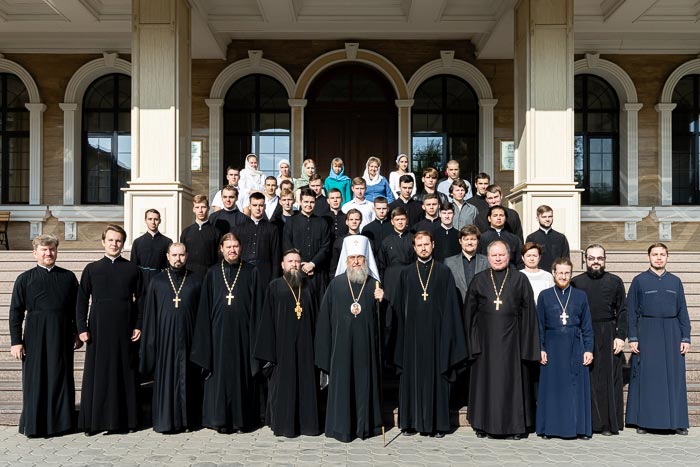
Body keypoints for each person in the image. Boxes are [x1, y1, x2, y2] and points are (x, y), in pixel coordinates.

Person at [394, 230, 467, 438]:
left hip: (437, 336)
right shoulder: (406, 273)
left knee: (437, 377)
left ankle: (438, 424)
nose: (423, 248)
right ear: (414, 247)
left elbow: (452, 308)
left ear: (433, 245)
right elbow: (400, 308)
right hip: (412, 337)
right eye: (420, 245)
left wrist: (448, 336)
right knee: (411, 378)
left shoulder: (444, 272)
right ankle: (409, 422)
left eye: (427, 244)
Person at [463, 240, 539, 439]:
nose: (498, 258)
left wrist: (527, 345)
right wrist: (472, 344)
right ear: (488, 257)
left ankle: (515, 427)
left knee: (513, 385)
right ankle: (482, 425)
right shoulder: (479, 280)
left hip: (513, 343)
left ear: (509, 256)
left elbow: (529, 313)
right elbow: (469, 315)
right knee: (485, 385)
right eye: (494, 255)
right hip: (485, 344)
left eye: (501, 255)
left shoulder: (519, 279)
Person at [315, 235, 387, 442]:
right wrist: (325, 354)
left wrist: (382, 303)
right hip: (341, 350)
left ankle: (366, 426)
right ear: (345, 260)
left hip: (366, 350)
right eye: (352, 257)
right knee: (343, 386)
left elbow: (384, 324)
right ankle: (341, 428)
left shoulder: (375, 285)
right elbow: (324, 322)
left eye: (360, 258)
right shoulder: (335, 285)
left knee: (365, 386)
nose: (356, 261)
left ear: (366, 260)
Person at [9, 234, 80, 437]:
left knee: (61, 377)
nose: (49, 253)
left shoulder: (68, 277)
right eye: (44, 250)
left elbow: (76, 308)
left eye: (52, 250)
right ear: (35, 253)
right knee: (35, 379)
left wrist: (77, 332)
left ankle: (62, 425)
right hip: (34, 336)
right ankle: (34, 425)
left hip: (62, 334)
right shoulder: (24, 279)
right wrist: (16, 342)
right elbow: (15, 312)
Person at [190, 233, 260, 433]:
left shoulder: (251, 271)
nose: (232, 250)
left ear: (241, 248)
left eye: (235, 246)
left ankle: (242, 420)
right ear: (221, 249)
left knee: (241, 376)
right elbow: (205, 308)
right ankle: (219, 419)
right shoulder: (212, 273)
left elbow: (257, 307)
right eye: (228, 246)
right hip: (217, 334)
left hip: (243, 335)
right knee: (218, 376)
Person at [77, 225, 142, 435]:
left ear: (123, 243)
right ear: (103, 242)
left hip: (125, 328)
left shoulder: (132, 269)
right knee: (98, 374)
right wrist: (82, 328)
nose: (115, 244)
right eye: (111, 240)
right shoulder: (92, 269)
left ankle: (126, 422)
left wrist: (138, 325)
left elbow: (141, 300)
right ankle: (93, 423)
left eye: (119, 241)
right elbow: (81, 301)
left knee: (124, 373)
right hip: (98, 329)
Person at [253, 249, 322, 437]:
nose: (293, 264)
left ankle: (308, 425)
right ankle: (284, 425)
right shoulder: (274, 286)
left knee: (307, 384)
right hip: (282, 349)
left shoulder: (309, 286)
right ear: (283, 265)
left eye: (297, 261)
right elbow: (266, 321)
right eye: (289, 261)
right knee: (284, 385)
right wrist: (269, 354)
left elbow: (317, 319)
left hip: (306, 347)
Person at [626, 243, 691, 435]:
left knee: (674, 377)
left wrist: (685, 337)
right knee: (649, 376)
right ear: (649, 257)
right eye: (655, 254)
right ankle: (645, 422)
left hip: (672, 332)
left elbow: (683, 312)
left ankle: (677, 422)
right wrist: (633, 336)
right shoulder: (639, 280)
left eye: (662, 254)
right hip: (647, 330)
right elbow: (631, 312)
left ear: (668, 257)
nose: (659, 258)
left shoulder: (675, 281)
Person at [139, 242, 203, 433]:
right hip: (164, 341)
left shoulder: (196, 280)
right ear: (168, 257)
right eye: (174, 255)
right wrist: (150, 345)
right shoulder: (157, 282)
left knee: (189, 380)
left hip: (189, 339)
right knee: (166, 380)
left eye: (181, 255)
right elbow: (150, 316)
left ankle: (188, 421)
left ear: (187, 256)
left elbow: (201, 314)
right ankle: (166, 422)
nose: (178, 259)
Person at [571, 244, 627, 436]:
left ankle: (606, 425)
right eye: (592, 258)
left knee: (605, 380)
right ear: (585, 259)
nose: (596, 262)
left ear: (605, 259)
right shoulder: (575, 282)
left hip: (608, 332)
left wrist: (621, 336)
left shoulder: (615, 281)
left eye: (599, 258)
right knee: (585, 379)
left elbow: (622, 311)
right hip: (583, 333)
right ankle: (585, 423)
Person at [536, 258, 594, 440]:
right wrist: (540, 347)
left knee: (575, 388)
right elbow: (539, 326)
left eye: (567, 273)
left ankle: (578, 429)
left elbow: (587, 326)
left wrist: (589, 349)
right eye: (560, 272)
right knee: (552, 388)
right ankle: (549, 429)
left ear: (571, 274)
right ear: (553, 273)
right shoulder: (544, 295)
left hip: (575, 346)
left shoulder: (580, 295)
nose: (563, 276)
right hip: (552, 347)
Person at [283, 188, 332, 291]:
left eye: (311, 202)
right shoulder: (291, 222)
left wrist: (312, 264)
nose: (308, 205)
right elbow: (287, 245)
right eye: (306, 202)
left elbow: (326, 247)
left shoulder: (322, 222)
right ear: (300, 202)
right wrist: (300, 265)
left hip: (318, 272)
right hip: (297, 272)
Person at [238, 192, 281, 286]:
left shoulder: (272, 228)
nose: (258, 208)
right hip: (244, 271)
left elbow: (275, 255)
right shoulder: (239, 229)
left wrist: (274, 279)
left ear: (264, 206)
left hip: (265, 273)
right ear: (249, 206)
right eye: (254, 205)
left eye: (261, 205)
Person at [378, 206, 415, 306]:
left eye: (402, 219)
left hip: (410, 278)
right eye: (397, 219)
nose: (400, 222)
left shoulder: (414, 239)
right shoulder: (386, 241)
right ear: (392, 221)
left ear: (407, 220)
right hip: (391, 281)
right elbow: (382, 266)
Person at [444, 225, 488, 305]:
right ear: (460, 241)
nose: (469, 243)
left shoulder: (487, 261)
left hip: (481, 308)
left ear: (478, 241)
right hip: (458, 307)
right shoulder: (449, 263)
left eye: (473, 239)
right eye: (466, 239)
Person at [130, 209, 172, 286]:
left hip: (160, 280)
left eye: (156, 219)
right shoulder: (137, 242)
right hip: (142, 282)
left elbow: (169, 265)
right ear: (145, 220)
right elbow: (133, 265)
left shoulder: (167, 242)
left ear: (160, 221)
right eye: (150, 219)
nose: (153, 222)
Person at [180, 195, 220, 276]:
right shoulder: (186, 232)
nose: (200, 210)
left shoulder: (216, 232)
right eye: (197, 207)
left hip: (209, 275)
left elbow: (219, 257)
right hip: (189, 276)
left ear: (208, 208)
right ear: (193, 209)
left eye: (203, 207)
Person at [525, 205, 570, 272]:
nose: (547, 219)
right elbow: (528, 259)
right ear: (537, 218)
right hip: (538, 275)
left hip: (557, 275)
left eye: (550, 216)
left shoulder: (561, 238)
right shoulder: (531, 238)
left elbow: (565, 260)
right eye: (544, 217)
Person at [330, 209, 363, 274]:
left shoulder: (366, 241)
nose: (354, 222)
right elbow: (334, 265)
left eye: (357, 219)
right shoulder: (339, 242)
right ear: (346, 222)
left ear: (361, 221)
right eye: (351, 219)